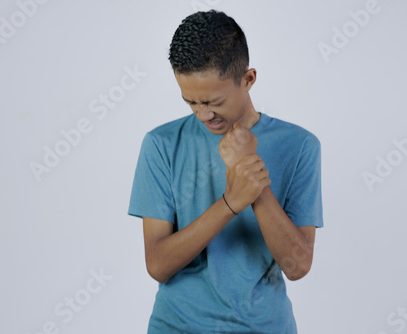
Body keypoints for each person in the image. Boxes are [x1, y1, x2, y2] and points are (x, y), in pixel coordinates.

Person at [128, 10, 323, 333]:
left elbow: (299, 265)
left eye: (213, 101)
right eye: (191, 102)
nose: (203, 115)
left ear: (248, 80)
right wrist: (230, 203)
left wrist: (251, 177)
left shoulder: (300, 146)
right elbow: (158, 265)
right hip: (177, 326)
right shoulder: (160, 144)